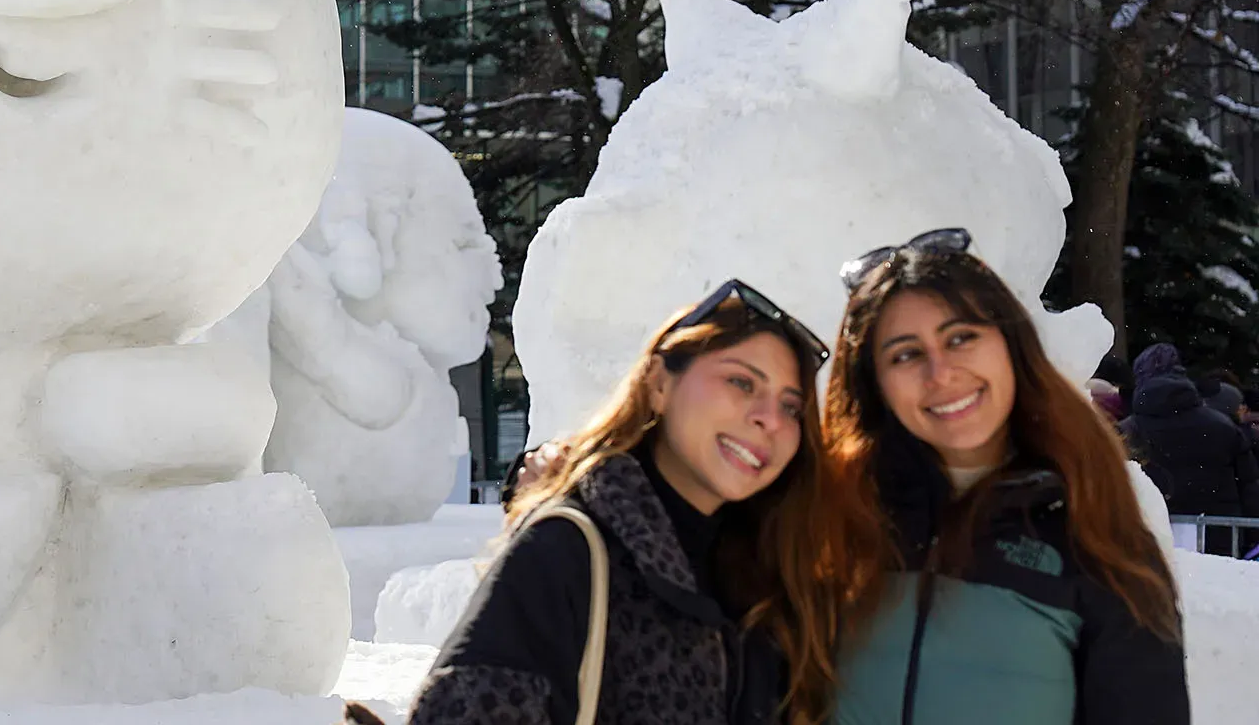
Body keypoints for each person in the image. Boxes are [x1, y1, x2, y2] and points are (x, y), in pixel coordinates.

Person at [409, 281, 838, 725]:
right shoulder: (569, 552)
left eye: (791, 406)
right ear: (658, 383)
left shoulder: (774, 578)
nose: (769, 418)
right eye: (741, 382)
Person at [823, 229, 1186, 724]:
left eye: (961, 338)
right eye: (905, 353)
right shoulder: (825, 522)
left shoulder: (1095, 533)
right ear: (872, 380)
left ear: (1011, 345)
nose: (941, 372)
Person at [1120, 344, 1259, 556]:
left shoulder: (1126, 432)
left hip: (1144, 547)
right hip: (1220, 545)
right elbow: (1249, 490)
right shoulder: (1223, 427)